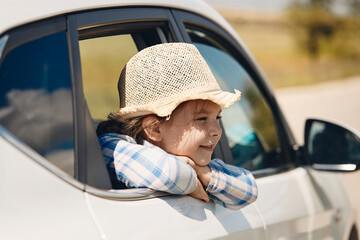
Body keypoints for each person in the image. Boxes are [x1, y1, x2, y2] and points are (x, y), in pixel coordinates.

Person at [97, 43, 258, 210]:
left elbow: (249, 190)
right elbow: (172, 174)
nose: (217, 131)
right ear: (154, 128)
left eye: (217, 117)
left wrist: (202, 172)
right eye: (202, 118)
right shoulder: (112, 145)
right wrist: (192, 176)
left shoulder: (196, 161)